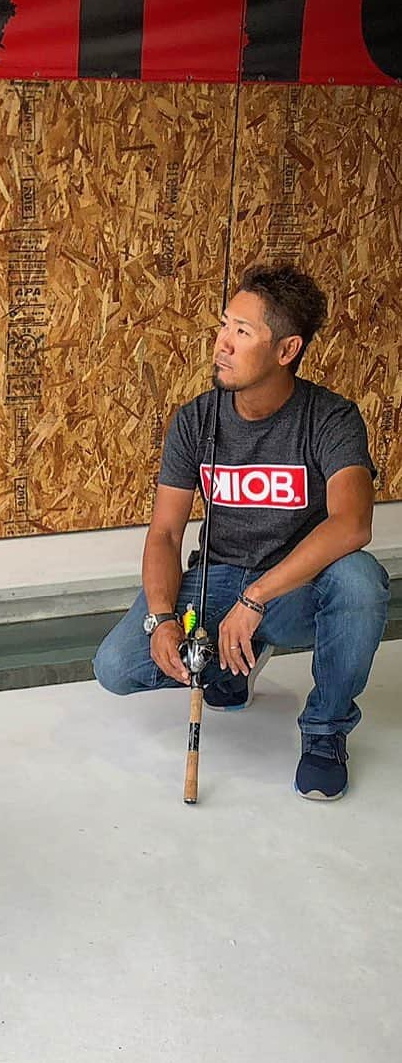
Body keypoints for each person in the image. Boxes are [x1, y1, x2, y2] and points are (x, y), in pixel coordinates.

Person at [93, 264, 389, 801]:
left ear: (286, 350)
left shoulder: (331, 418)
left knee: (360, 580)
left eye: (242, 332)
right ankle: (226, 671)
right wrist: (162, 619)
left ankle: (324, 734)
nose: (222, 343)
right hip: (217, 582)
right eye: (225, 325)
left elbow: (353, 523)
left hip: (294, 591)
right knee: (116, 667)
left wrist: (257, 598)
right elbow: (164, 533)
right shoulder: (194, 420)